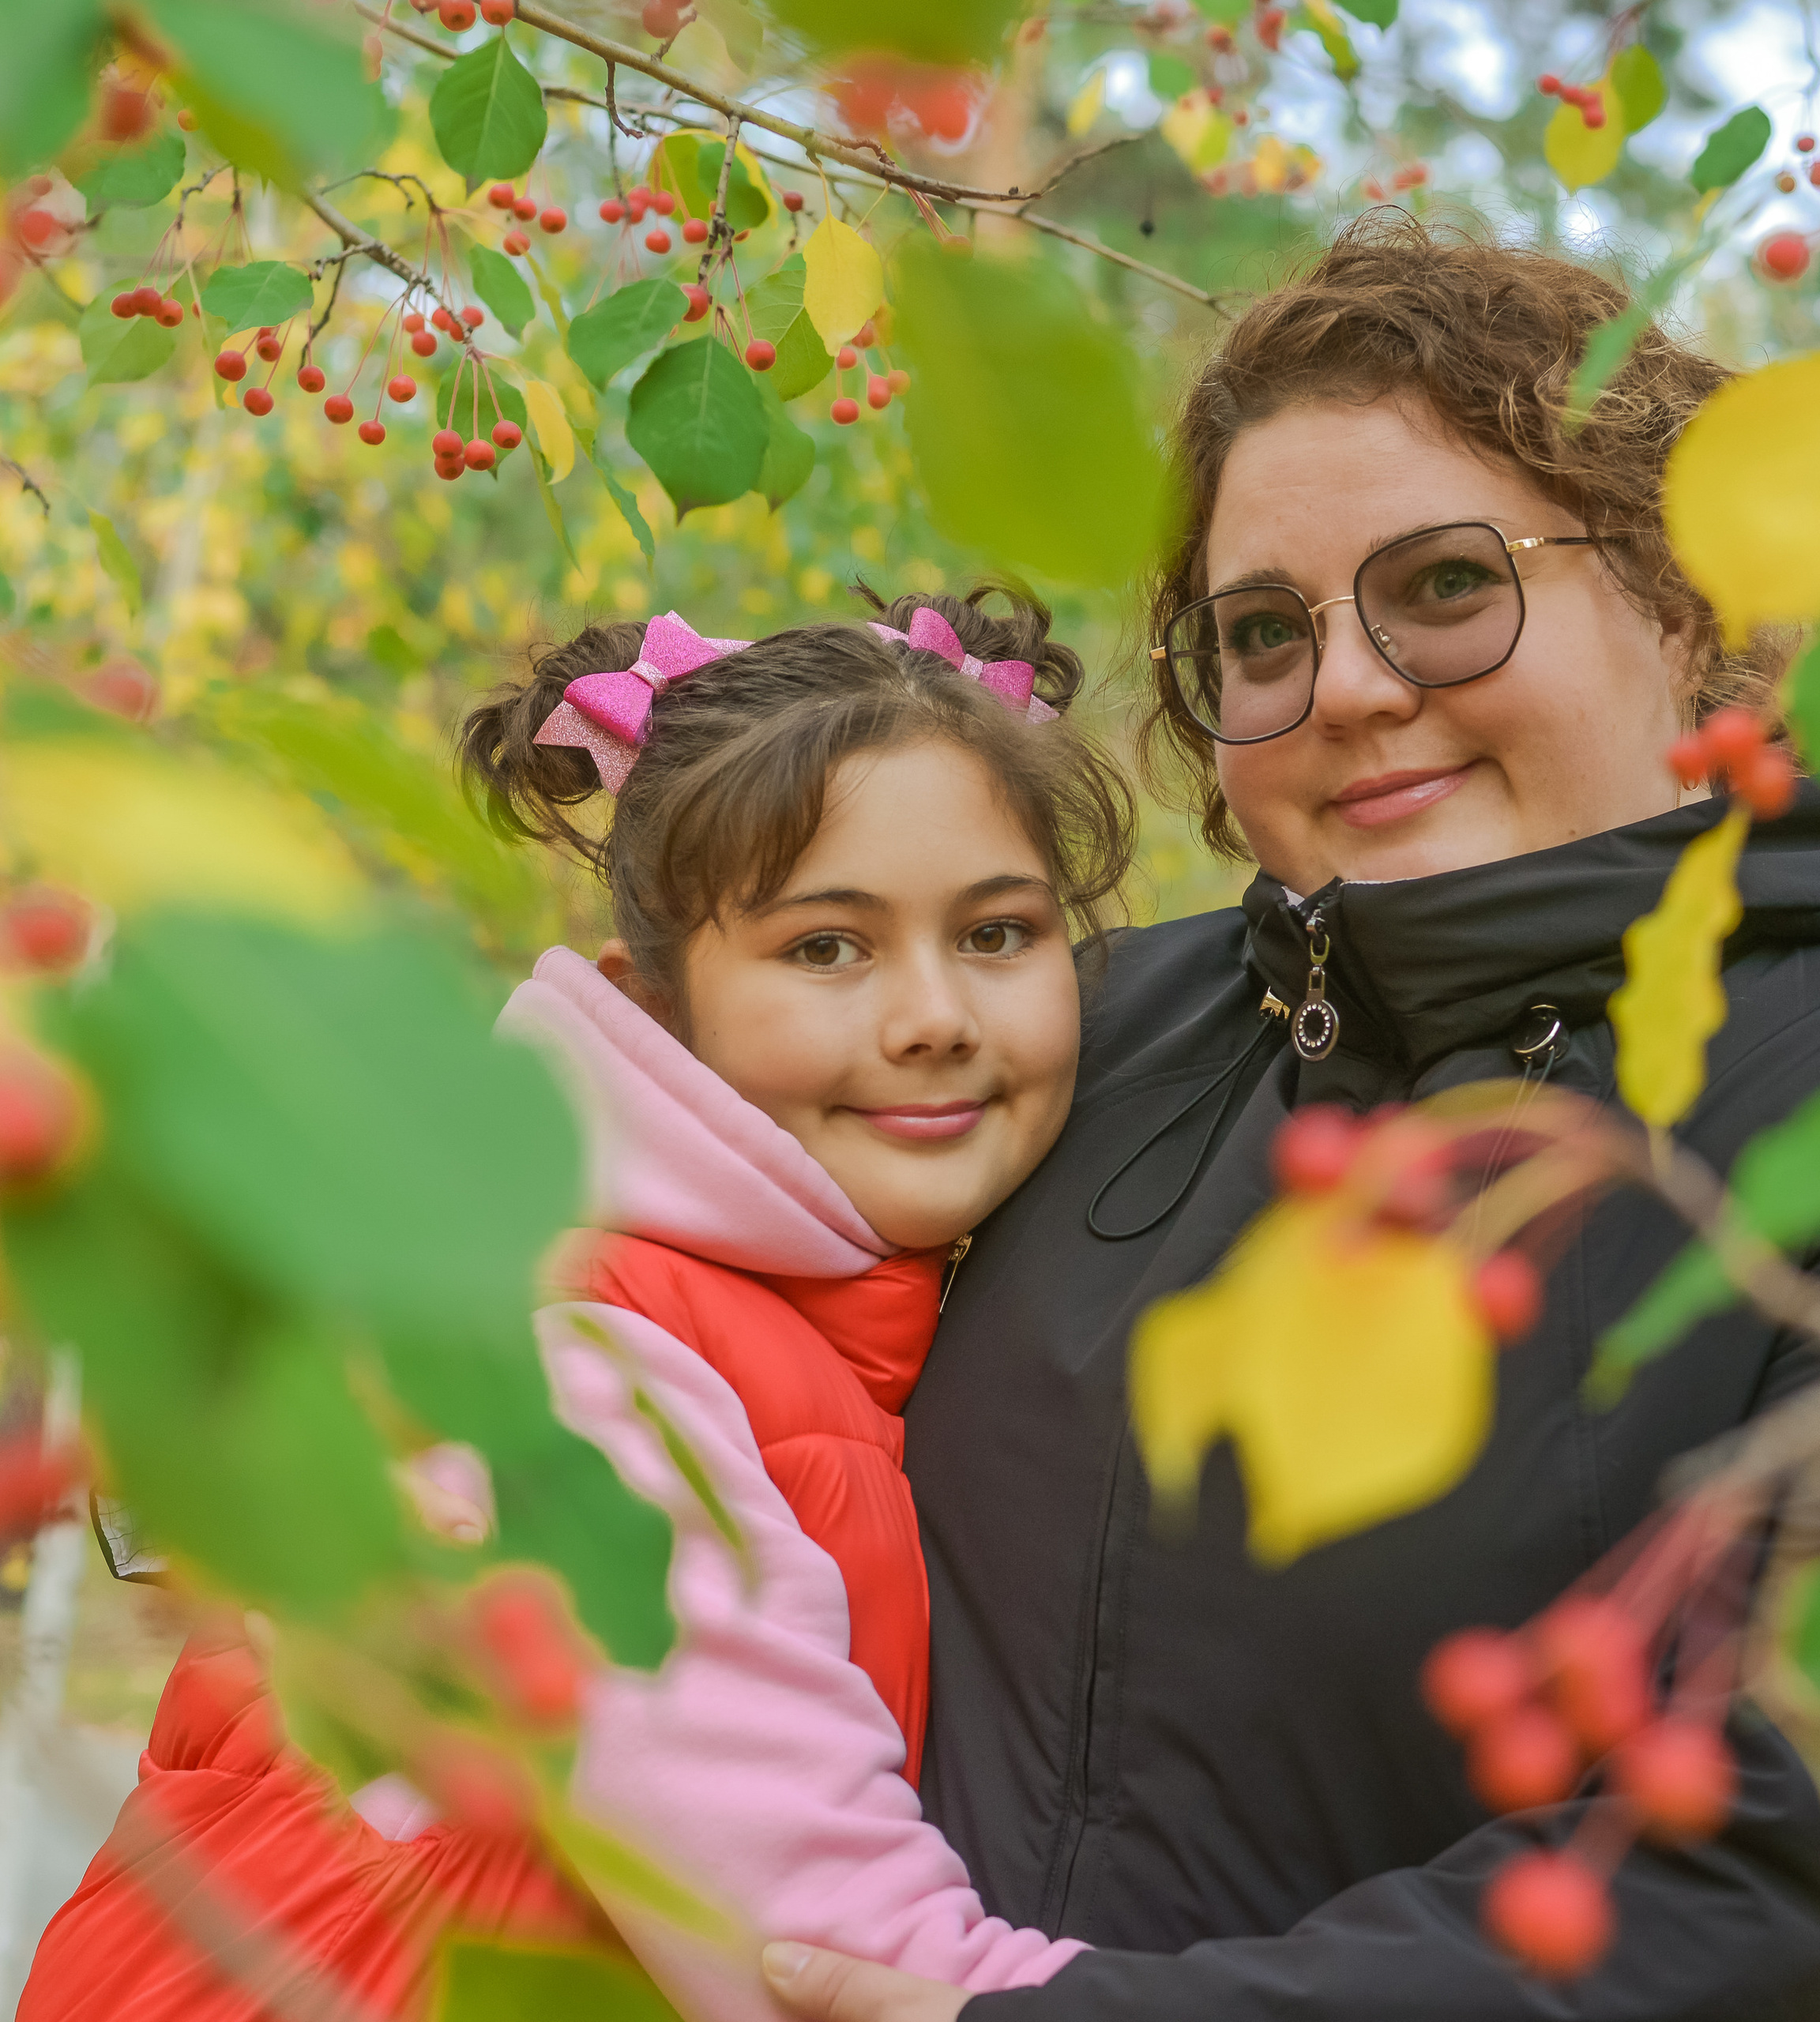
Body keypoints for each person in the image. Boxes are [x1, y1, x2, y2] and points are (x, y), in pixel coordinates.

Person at [756, 213, 1820, 2022]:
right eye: (1261, 631)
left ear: (1680, 607)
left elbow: (1806, 1856)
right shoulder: (1089, 1027)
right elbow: (730, 1243)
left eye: (1443, 583)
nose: (1344, 685)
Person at [21, 588, 1131, 2021]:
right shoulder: (595, 1354)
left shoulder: (753, 1314)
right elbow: (813, 1948)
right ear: (654, 1010)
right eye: (825, 948)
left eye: (996, 933)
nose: (934, 1014)